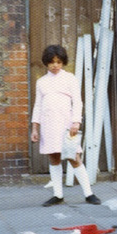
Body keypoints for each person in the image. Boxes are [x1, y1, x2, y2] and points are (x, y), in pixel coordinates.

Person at [31, 44, 100, 207]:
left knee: (73, 157)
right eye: (52, 62)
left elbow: (77, 101)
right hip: (49, 124)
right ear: (46, 63)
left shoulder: (70, 78)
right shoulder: (41, 82)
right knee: (54, 157)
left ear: (63, 62)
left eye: (59, 62)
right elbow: (38, 105)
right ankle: (58, 194)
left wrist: (76, 121)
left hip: (66, 124)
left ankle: (89, 193)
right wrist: (35, 127)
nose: (55, 65)